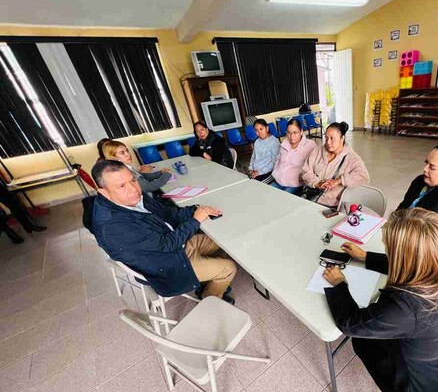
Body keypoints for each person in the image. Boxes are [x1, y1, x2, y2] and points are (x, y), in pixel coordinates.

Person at [323, 208, 438, 392]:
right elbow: (418, 263)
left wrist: (339, 283)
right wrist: (366, 257)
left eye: (389, 248)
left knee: (361, 340)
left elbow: (350, 323)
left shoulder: (405, 307)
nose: (386, 249)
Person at [90, 160, 236, 302]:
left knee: (219, 241)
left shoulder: (131, 198)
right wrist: (195, 220)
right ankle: (210, 299)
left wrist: (196, 210)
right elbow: (166, 245)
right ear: (104, 192)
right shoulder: (112, 225)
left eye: (133, 180)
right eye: (121, 186)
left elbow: (167, 213)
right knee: (229, 268)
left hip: (175, 247)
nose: (134, 189)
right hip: (168, 266)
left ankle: (210, 282)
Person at [342, 141, 438, 273]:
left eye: (432, 167)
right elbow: (402, 210)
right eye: (426, 163)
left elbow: (422, 256)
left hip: (435, 263)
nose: (425, 169)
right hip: (404, 244)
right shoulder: (422, 181)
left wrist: (365, 257)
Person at [301, 121, 370, 208]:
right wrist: (317, 183)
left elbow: (364, 176)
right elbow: (305, 171)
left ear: (342, 138)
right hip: (310, 197)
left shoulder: (351, 158)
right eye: (326, 138)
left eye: (332, 138)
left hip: (331, 205)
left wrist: (338, 181)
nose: (328, 142)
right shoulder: (318, 151)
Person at [102, 140, 171, 195]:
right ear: (113, 157)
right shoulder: (124, 173)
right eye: (122, 153)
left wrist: (160, 173)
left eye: (127, 150)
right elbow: (149, 187)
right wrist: (167, 175)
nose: (128, 154)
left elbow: (143, 176)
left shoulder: (126, 166)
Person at [270, 118, 316, 194]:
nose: (291, 136)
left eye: (295, 132)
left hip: (294, 184)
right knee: (266, 195)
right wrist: (276, 172)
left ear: (301, 132)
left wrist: (304, 178)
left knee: (283, 200)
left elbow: (314, 166)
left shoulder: (310, 145)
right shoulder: (284, 143)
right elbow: (278, 159)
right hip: (278, 180)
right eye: (289, 132)